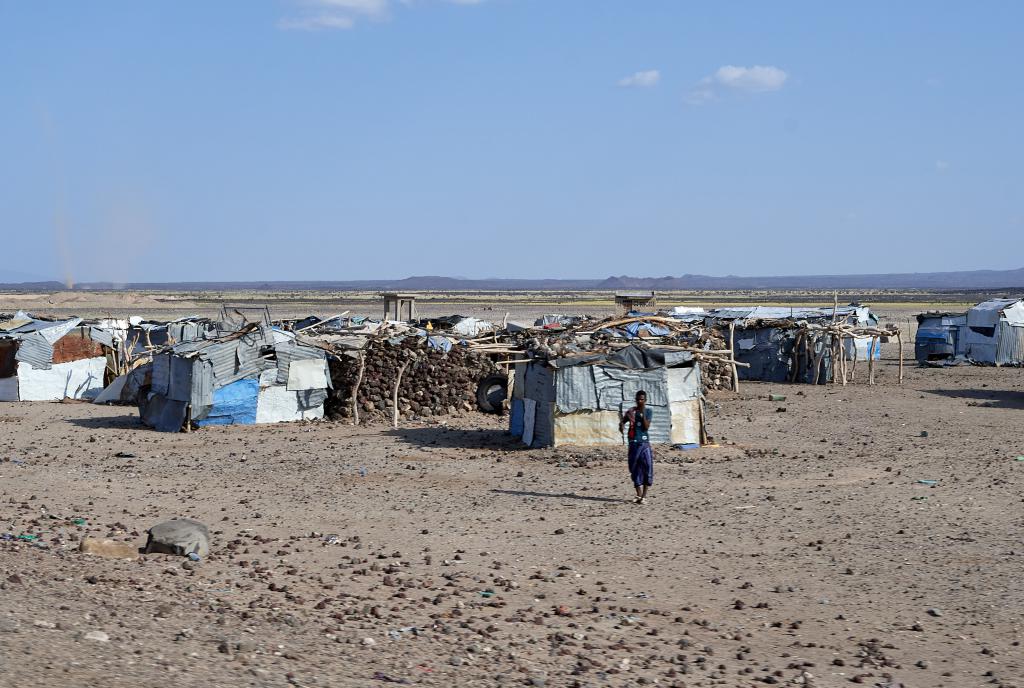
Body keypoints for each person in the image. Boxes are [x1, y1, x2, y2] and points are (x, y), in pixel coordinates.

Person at [619, 390, 653, 504]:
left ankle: (644, 496)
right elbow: (623, 421)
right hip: (633, 443)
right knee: (634, 468)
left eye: (642, 399)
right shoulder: (631, 412)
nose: (640, 401)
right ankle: (638, 494)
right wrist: (622, 425)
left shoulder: (648, 411)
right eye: (638, 399)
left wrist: (642, 414)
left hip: (644, 443)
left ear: (645, 400)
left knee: (647, 467)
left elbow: (646, 427)